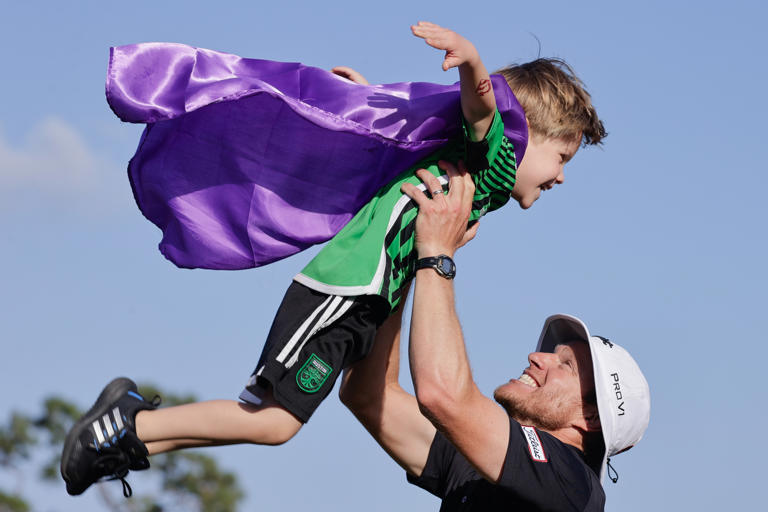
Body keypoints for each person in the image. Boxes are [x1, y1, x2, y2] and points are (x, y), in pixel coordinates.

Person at [61, 23, 605, 496]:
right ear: (525, 132)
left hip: (373, 296)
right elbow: (484, 109)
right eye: (561, 156)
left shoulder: (473, 171)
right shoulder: (496, 159)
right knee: (277, 422)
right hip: (348, 288)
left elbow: (410, 142)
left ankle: (130, 432)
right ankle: (126, 426)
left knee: (280, 421)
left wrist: (369, 101)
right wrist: (475, 64)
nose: (560, 175)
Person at [340, 161, 651, 510]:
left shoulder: (572, 484)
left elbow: (443, 396)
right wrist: (407, 260)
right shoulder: (482, 464)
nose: (537, 357)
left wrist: (437, 255)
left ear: (591, 418)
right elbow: (368, 394)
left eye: (565, 365)